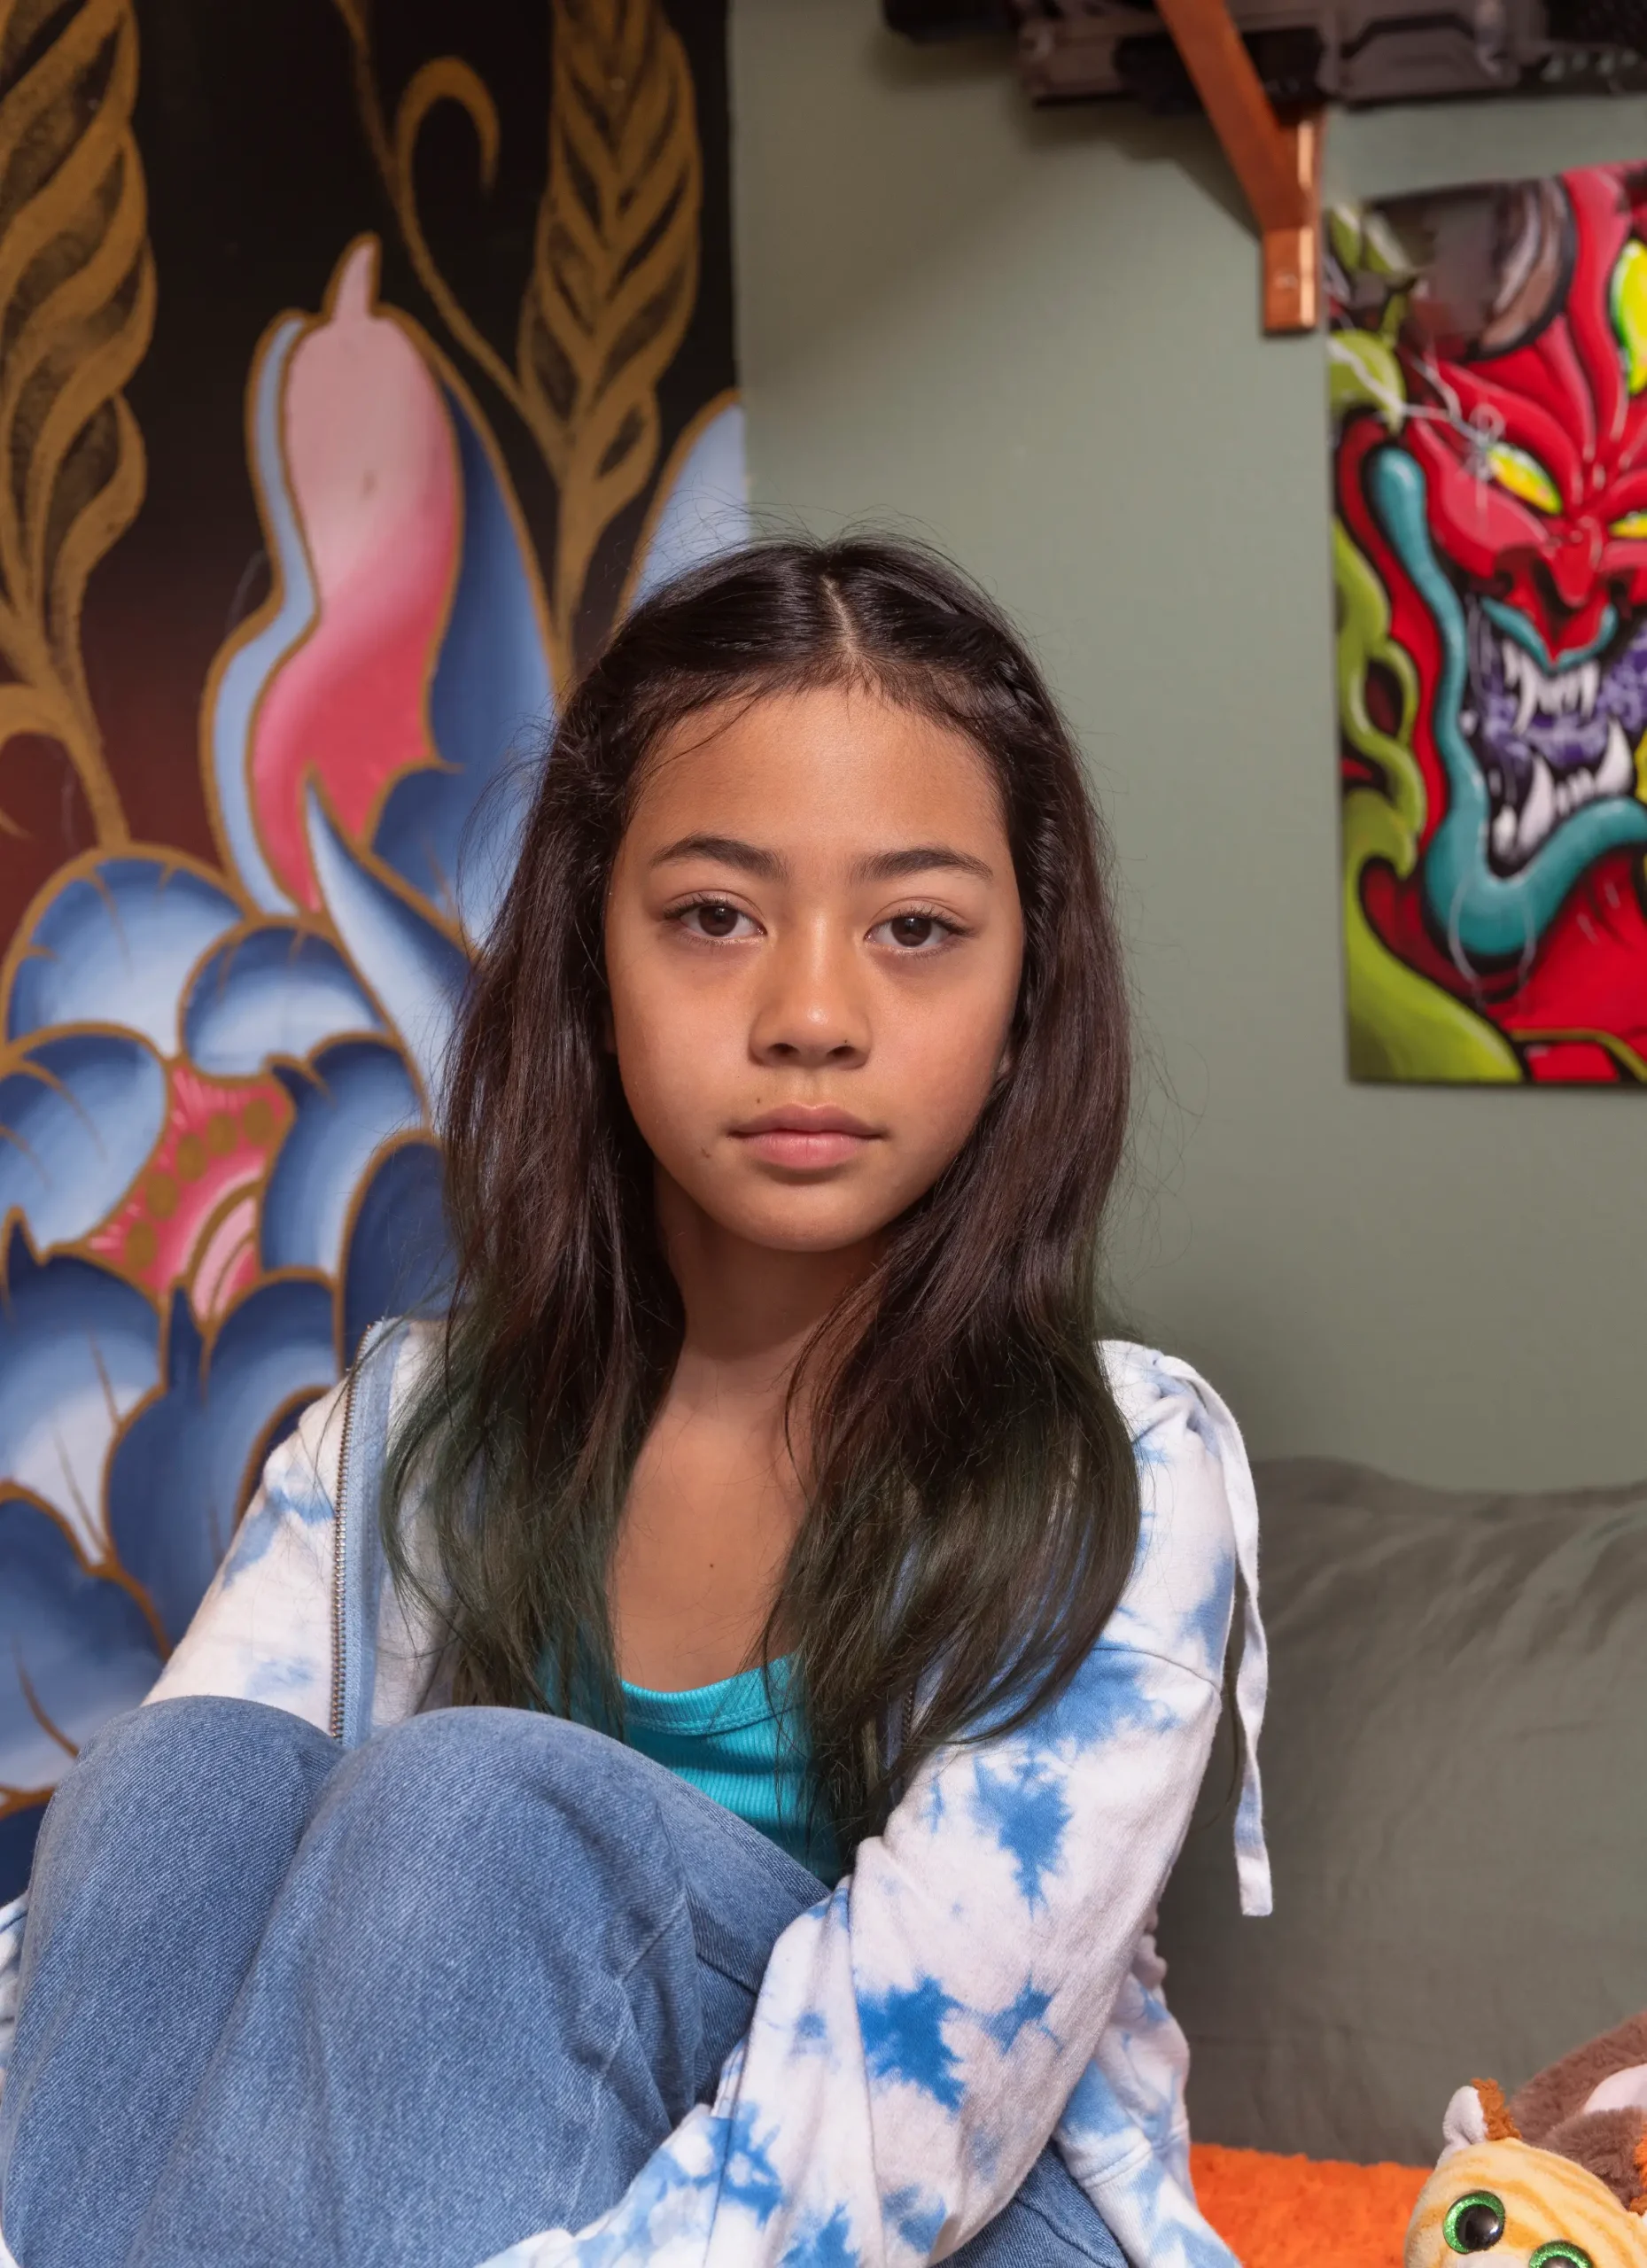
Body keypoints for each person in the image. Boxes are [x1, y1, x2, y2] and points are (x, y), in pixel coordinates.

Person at [0, 538, 1269, 2268]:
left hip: (933, 2220)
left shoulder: (1110, 1476)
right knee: (173, 1782)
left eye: (913, 929)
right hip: (449, 2188)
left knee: (467, 1810)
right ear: (593, 964)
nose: (810, 1014)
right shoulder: (409, 1434)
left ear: (1023, 991)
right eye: (713, 917)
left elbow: (899, 2130)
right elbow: (103, 1989)